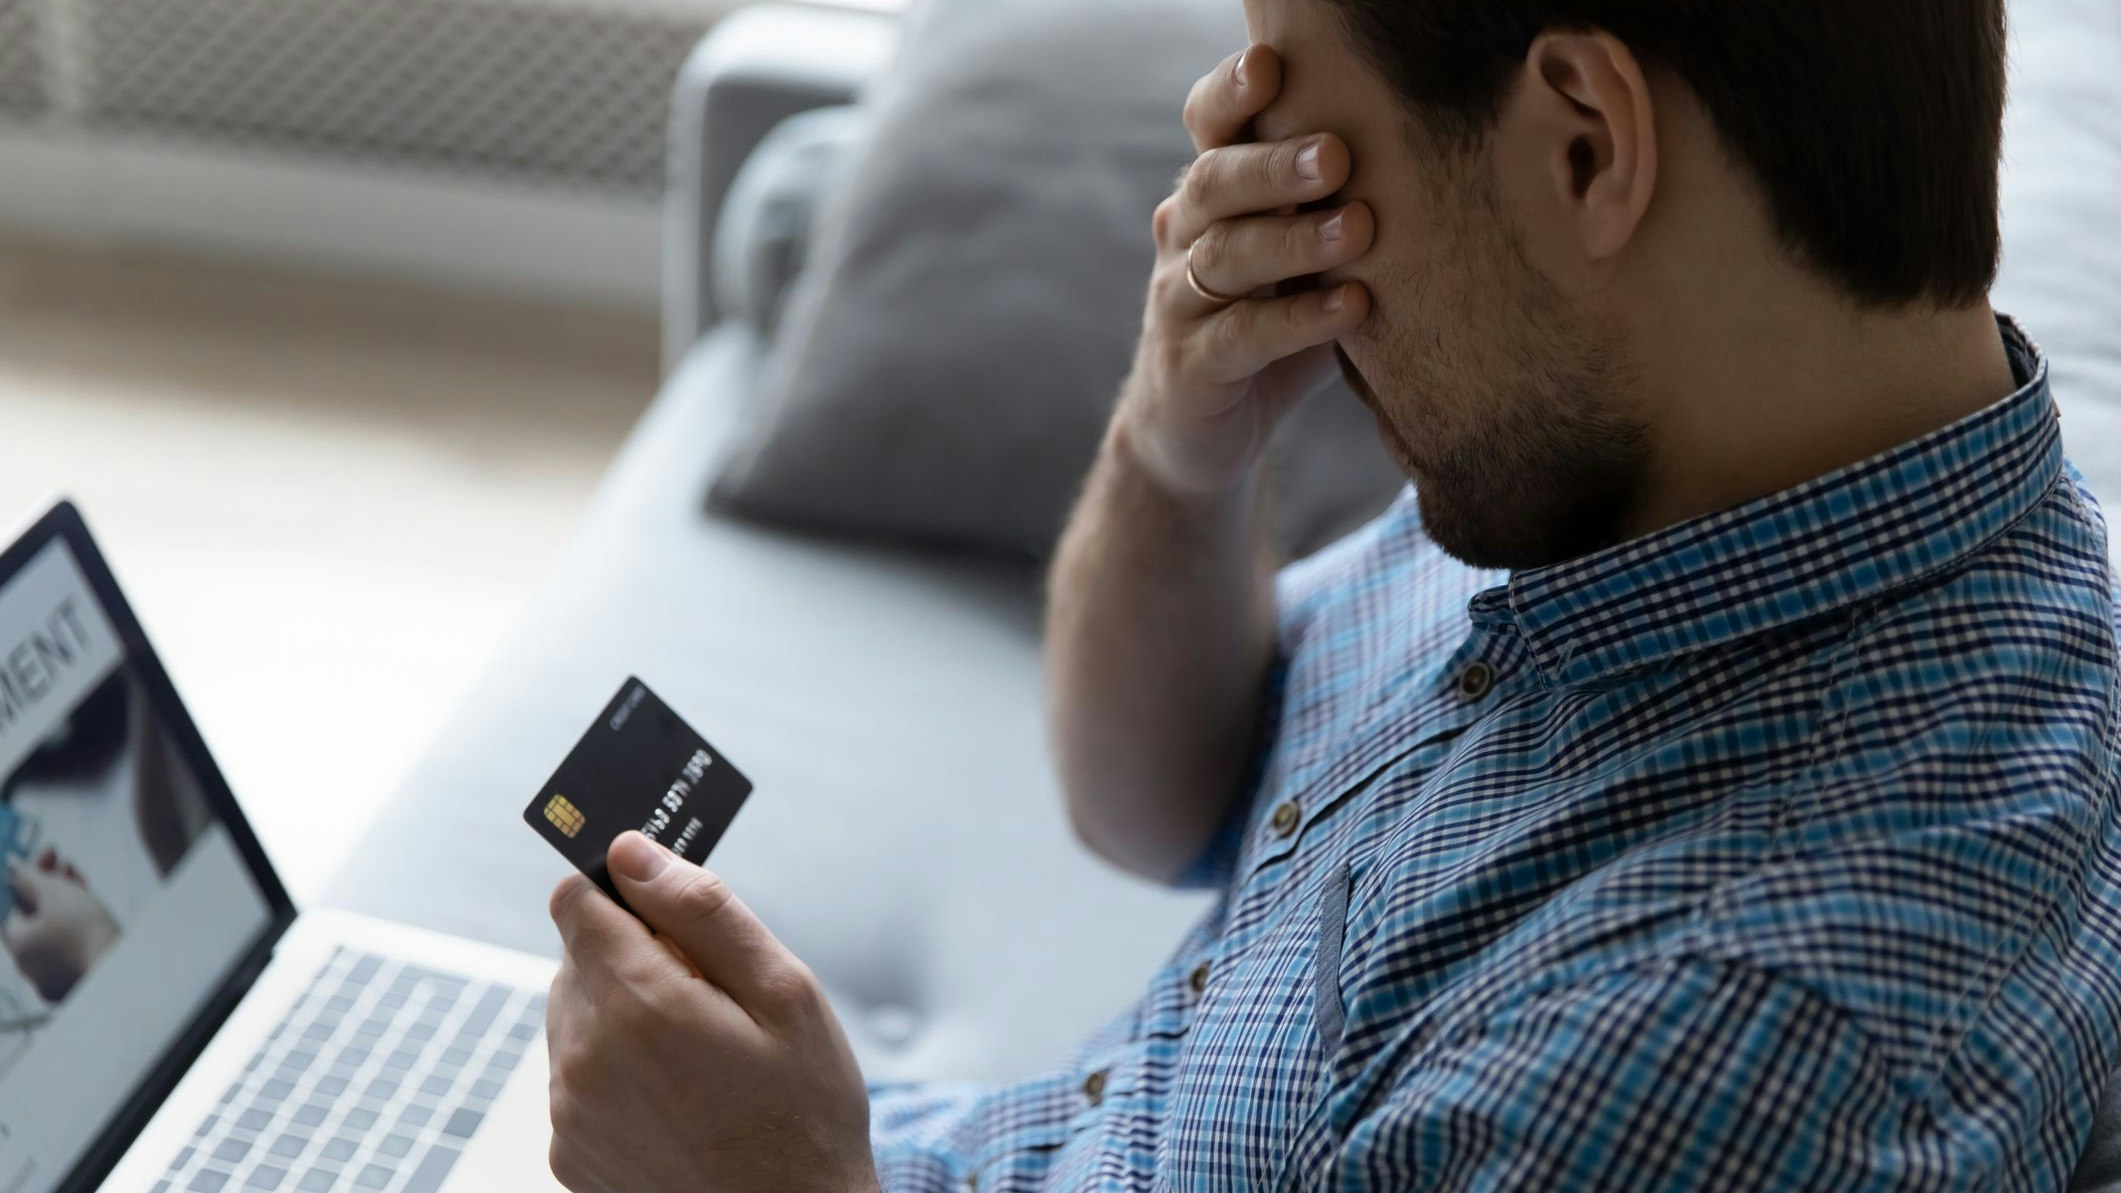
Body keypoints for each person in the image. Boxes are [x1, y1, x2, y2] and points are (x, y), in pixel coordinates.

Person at [540, 0, 2121, 1189]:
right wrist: (1179, 452)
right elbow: (1155, 805)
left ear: (1583, 142)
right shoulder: (1664, 463)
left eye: (1308, 146)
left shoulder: (1725, 1054)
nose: (1259, 219)